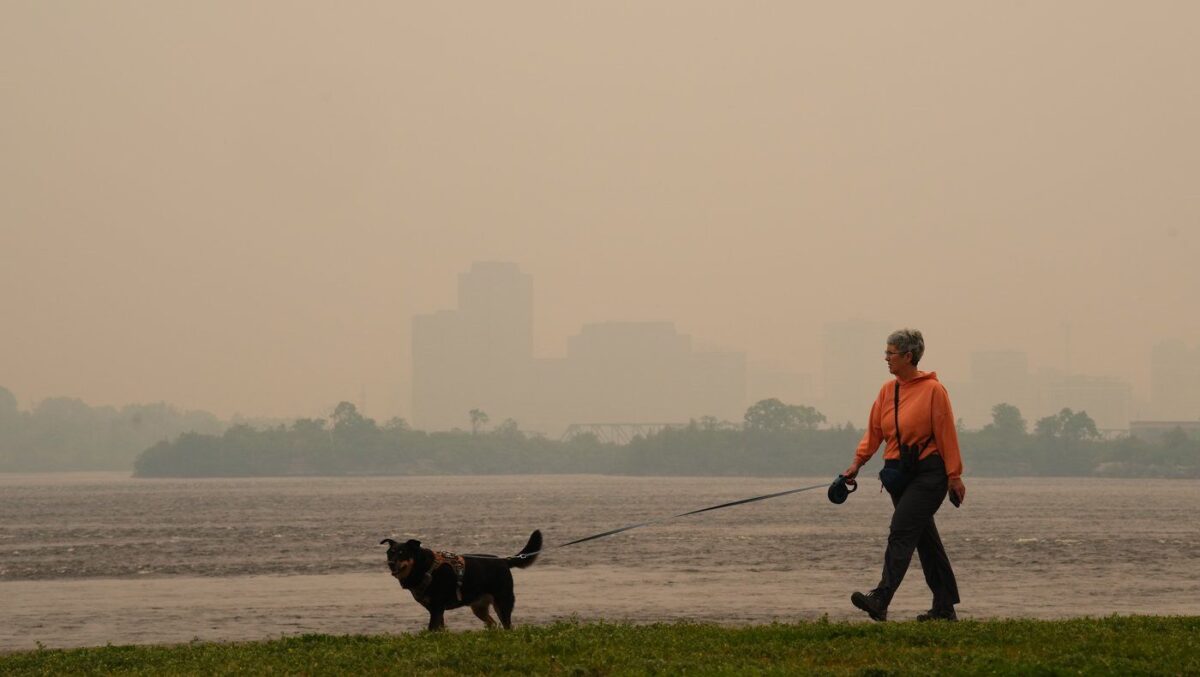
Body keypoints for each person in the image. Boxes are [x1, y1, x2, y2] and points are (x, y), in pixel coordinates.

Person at [842, 328, 965, 622]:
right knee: (925, 540)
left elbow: (946, 433)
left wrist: (954, 475)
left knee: (901, 529)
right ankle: (944, 608)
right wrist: (856, 464)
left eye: (891, 353)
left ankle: (881, 598)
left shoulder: (934, 391)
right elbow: (874, 431)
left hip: (929, 473)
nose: (886, 358)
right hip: (899, 475)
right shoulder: (888, 390)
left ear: (908, 356)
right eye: (886, 353)